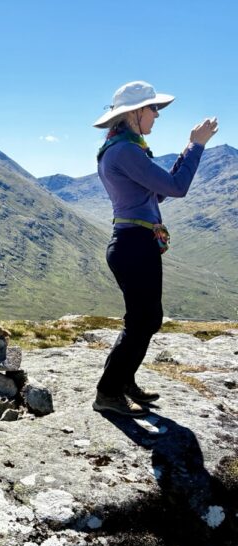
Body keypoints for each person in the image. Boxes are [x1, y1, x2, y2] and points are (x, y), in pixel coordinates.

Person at [91, 81, 218, 417]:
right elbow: (177, 188)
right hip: (134, 244)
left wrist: (187, 151)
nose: (157, 115)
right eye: (153, 108)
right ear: (135, 113)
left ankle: (123, 382)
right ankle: (108, 392)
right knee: (141, 321)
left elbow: (160, 191)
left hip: (134, 243)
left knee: (146, 319)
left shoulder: (122, 148)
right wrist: (196, 145)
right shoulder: (125, 151)